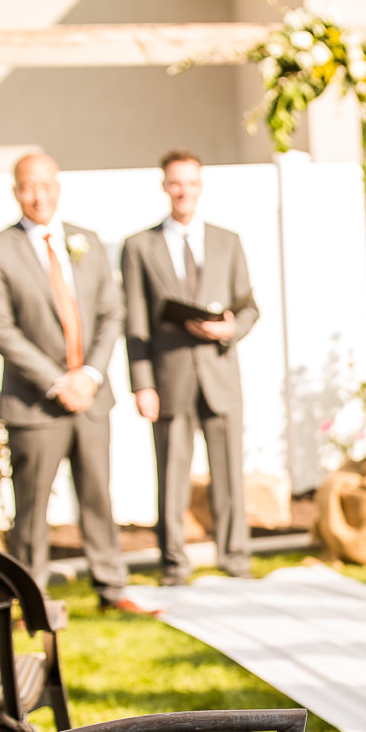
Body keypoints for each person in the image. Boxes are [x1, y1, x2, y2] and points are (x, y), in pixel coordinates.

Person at [0, 152, 135, 607]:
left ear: (58, 187)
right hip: (34, 403)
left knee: (98, 497)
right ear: (15, 192)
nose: (38, 195)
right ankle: (30, 597)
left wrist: (89, 375)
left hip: (92, 397)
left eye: (45, 185)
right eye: (28, 186)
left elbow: (111, 311)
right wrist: (57, 380)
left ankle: (112, 587)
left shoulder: (87, 239)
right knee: (31, 509)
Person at [120, 150, 260, 584]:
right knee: (171, 476)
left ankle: (235, 557)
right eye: (176, 183)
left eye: (191, 183)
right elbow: (135, 320)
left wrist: (230, 329)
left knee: (229, 476)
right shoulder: (138, 247)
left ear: (201, 187)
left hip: (219, 376)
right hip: (169, 378)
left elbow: (250, 307)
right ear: (165, 186)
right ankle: (174, 563)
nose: (184, 191)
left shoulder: (227, 240)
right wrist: (141, 383)